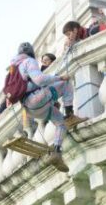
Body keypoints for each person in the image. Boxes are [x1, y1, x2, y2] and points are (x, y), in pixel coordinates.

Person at [6, 41, 78, 173]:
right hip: (37, 99)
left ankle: (57, 152)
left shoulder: (13, 69)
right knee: (65, 83)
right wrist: (59, 77)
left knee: (60, 123)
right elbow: (39, 80)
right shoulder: (28, 61)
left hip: (31, 110)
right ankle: (70, 114)